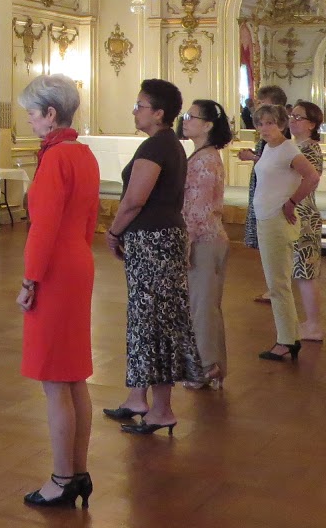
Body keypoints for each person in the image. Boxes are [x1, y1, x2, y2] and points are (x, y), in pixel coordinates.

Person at [16, 74, 99, 509]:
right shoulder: (84, 154)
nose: (29, 121)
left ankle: (63, 477)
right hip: (78, 262)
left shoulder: (54, 159)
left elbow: (43, 229)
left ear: (51, 114)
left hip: (54, 269)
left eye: (32, 113)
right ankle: (78, 471)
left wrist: (30, 280)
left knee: (54, 378)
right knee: (73, 375)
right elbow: (89, 219)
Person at [102, 78, 202, 436]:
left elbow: (134, 199)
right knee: (146, 319)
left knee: (155, 322)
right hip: (161, 238)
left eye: (140, 105)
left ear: (158, 113)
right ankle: (137, 398)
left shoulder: (156, 146)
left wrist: (113, 231)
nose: (135, 111)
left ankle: (162, 410)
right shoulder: (168, 143)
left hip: (153, 241)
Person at [250, 103, 320, 363]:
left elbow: (312, 177)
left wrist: (291, 202)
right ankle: (289, 336)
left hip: (276, 220)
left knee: (278, 284)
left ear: (280, 124)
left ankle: (286, 340)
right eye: (260, 123)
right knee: (276, 282)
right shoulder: (270, 148)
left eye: (270, 123)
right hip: (265, 217)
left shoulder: (288, 149)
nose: (264, 128)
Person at [179, 99, 231, 390]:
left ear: (208, 125)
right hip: (208, 238)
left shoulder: (205, 160)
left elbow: (198, 209)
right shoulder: (203, 156)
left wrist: (186, 243)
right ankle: (213, 364)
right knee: (206, 305)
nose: (185, 120)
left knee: (201, 306)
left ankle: (206, 366)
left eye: (191, 116)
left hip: (203, 240)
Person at [237, 84, 288, 301]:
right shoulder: (268, 134)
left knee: (273, 244)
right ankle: (274, 286)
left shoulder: (280, 136)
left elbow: (276, 164)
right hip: (263, 187)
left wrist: (251, 157)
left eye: (262, 102)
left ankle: (277, 287)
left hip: (272, 192)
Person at [289, 101, 326, 342]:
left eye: (298, 117)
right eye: (291, 116)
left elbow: (310, 180)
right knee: (299, 271)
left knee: (305, 272)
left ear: (311, 124)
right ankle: (309, 322)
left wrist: (291, 201)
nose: (292, 120)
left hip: (303, 214)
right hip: (296, 213)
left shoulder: (309, 149)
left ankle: (314, 325)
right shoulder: (296, 147)